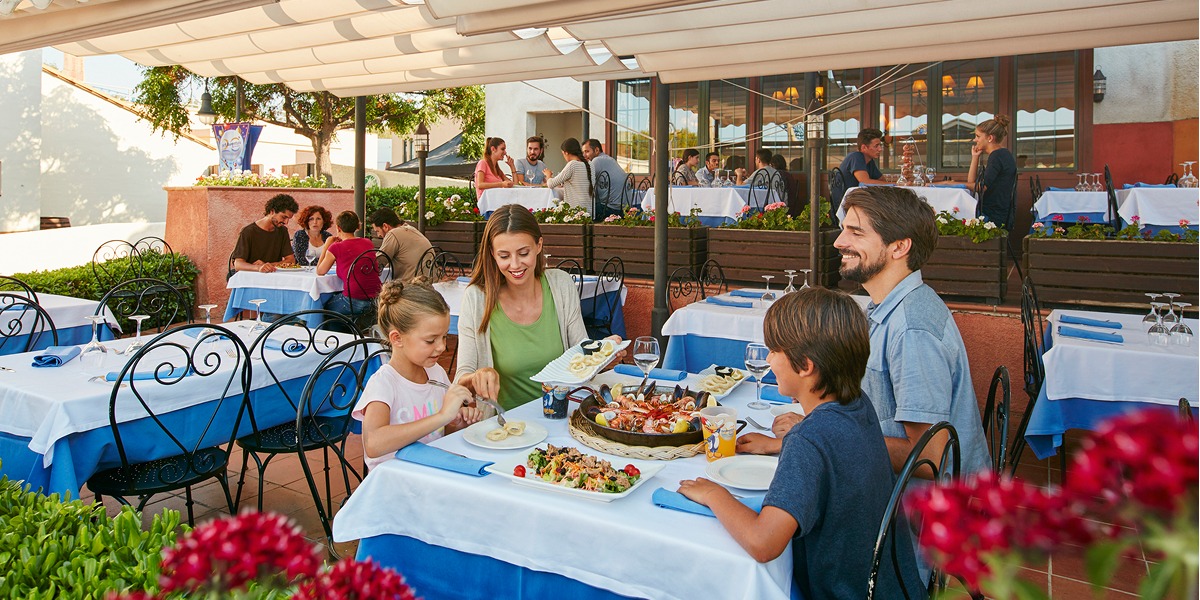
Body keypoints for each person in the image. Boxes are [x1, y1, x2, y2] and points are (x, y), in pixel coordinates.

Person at [677, 288, 926, 599]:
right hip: (896, 587)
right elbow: (835, 451)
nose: (768, 360)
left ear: (806, 366)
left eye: (773, 351)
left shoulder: (807, 439)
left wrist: (715, 495)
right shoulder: (858, 405)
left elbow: (764, 543)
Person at [834, 185, 991, 476]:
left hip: (916, 514)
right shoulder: (890, 306)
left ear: (898, 247)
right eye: (844, 230)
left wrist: (825, 438)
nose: (839, 242)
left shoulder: (912, 330)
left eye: (856, 233)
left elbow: (929, 458)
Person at [456, 204, 620, 411]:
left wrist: (603, 351)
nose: (515, 265)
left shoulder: (561, 285)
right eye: (504, 256)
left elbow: (582, 358)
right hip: (506, 426)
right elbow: (461, 379)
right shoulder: (476, 298)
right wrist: (476, 377)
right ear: (492, 254)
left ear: (539, 245)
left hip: (562, 416)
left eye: (523, 253)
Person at [352, 279, 495, 470]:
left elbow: (439, 434)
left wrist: (456, 423)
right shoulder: (384, 383)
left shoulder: (436, 373)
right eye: (430, 340)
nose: (442, 347)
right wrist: (443, 416)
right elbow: (374, 444)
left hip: (432, 473)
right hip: (395, 484)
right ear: (397, 338)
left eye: (444, 337)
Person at [317, 211, 381, 318]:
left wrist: (327, 245)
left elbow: (320, 271)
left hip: (353, 300)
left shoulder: (336, 247)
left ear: (338, 228)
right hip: (376, 299)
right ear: (358, 227)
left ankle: (337, 333)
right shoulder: (368, 242)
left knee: (322, 308)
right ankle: (349, 331)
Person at [966, 116, 1016, 230]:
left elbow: (981, 187)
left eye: (978, 136)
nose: (975, 140)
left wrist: (950, 183)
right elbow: (972, 183)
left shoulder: (997, 156)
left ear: (990, 138)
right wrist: (975, 157)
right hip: (1000, 212)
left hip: (992, 216)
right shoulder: (1003, 154)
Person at [232, 193, 298, 273]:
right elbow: (238, 264)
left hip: (273, 278)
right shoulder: (249, 232)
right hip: (250, 278)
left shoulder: (282, 231)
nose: (286, 222)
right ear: (272, 211)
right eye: (284, 217)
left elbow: (291, 261)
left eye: (289, 219)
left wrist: (268, 265)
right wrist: (258, 268)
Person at [835, 128, 887, 219]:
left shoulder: (870, 162)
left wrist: (891, 184)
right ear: (864, 147)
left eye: (880, 145)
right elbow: (865, 182)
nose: (880, 149)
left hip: (858, 203)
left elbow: (882, 180)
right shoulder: (856, 157)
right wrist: (895, 185)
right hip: (846, 206)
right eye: (876, 146)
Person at [370, 207, 433, 281]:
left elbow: (379, 261)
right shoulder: (411, 229)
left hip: (412, 286)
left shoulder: (393, 233)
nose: (378, 235)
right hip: (430, 282)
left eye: (377, 231)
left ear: (385, 226)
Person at [543, 137, 594, 215]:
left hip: (576, 211)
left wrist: (548, 175)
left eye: (563, 154)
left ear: (566, 153)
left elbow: (551, 184)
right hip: (590, 211)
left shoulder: (572, 164)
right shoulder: (590, 164)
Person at [583, 139, 628, 218]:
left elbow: (584, 181)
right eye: (583, 152)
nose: (584, 155)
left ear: (597, 150)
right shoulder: (609, 159)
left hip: (610, 209)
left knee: (579, 211)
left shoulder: (597, 160)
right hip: (624, 208)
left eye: (587, 151)